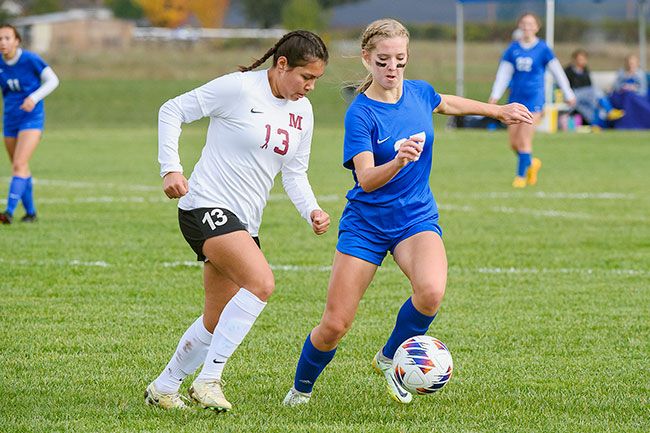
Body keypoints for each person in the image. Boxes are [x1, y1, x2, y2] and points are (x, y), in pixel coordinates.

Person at [282, 18, 532, 407]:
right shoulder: (361, 115)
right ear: (367, 59)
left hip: (415, 218)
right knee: (335, 325)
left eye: (399, 59)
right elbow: (365, 179)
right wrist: (398, 161)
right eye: (383, 60)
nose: (392, 68)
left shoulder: (419, 93)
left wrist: (498, 111)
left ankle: (389, 358)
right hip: (366, 224)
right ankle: (301, 389)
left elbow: (446, 102)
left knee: (431, 292)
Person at [145, 30, 331, 412]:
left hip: (245, 222)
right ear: (282, 65)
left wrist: (311, 209)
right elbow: (172, 109)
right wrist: (170, 169)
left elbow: (294, 172)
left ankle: (164, 387)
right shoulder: (238, 89)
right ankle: (209, 380)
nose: (310, 87)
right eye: (305, 77)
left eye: (316, 80)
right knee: (261, 282)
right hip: (205, 206)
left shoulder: (302, 112)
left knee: (215, 320)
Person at [488, 13, 575, 189]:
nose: (527, 27)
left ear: (537, 27)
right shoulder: (512, 49)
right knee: (513, 143)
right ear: (519, 26)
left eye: (530, 24)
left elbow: (557, 72)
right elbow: (504, 74)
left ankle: (520, 177)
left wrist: (568, 93)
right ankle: (532, 163)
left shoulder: (543, 49)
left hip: (535, 100)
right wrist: (495, 95)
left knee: (524, 139)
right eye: (524, 23)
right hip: (515, 100)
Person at [0, 24, 59, 224]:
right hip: (10, 120)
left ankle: (7, 212)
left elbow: (53, 81)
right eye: (0, 39)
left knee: (19, 164)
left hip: (31, 119)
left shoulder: (30, 59)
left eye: (7, 38)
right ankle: (31, 213)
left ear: (17, 41)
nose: (3, 43)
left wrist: (33, 98)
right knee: (20, 168)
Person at [564, 48, 624, 126]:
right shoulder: (568, 71)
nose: (582, 61)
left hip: (584, 98)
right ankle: (609, 110)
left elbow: (589, 85)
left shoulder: (585, 70)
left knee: (590, 106)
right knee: (596, 91)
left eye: (583, 59)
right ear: (574, 59)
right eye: (580, 59)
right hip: (573, 95)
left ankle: (595, 125)